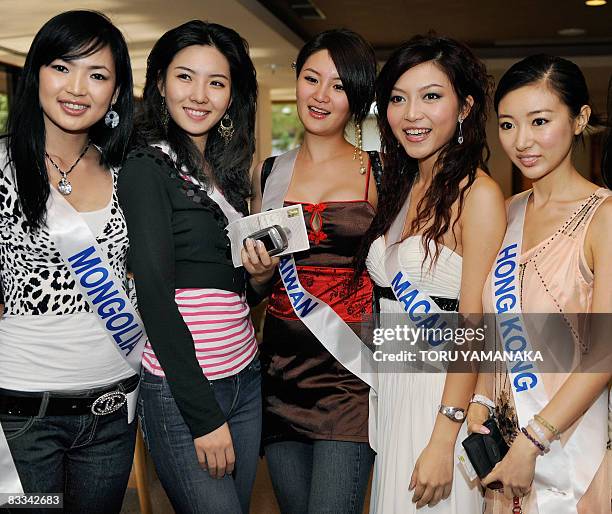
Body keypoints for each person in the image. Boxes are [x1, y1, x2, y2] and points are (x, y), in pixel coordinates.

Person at [354, 35, 506, 513]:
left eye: (431, 96)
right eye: (398, 98)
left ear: (464, 107)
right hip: (396, 388)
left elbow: (474, 323)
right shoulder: (404, 184)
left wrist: (444, 437)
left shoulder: (477, 194)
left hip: (440, 396)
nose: (411, 113)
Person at [117, 20, 262, 514]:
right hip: (186, 392)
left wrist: (258, 275)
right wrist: (202, 416)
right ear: (159, 82)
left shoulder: (225, 173)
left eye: (216, 82)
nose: (200, 95)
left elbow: (230, 286)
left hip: (245, 374)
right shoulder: (145, 166)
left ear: (231, 94)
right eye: (185, 77)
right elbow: (155, 297)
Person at [0, 10, 136, 514]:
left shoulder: (130, 175)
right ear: (35, 72)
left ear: (116, 94)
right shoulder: (3, 169)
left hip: (114, 412)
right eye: (62, 67)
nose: (77, 87)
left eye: (97, 75)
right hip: (21, 417)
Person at [467, 54, 611, 514]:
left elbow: (604, 352)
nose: (522, 141)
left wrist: (534, 441)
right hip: (510, 454)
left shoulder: (603, 217)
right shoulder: (505, 211)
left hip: (574, 457)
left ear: (580, 118)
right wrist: (481, 400)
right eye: (508, 125)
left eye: (540, 121)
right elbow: (494, 326)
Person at [244, 29, 379, 514]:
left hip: (349, 376)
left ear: (357, 97)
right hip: (282, 372)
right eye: (311, 79)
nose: (320, 96)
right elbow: (259, 284)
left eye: (338, 86)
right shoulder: (268, 172)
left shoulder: (381, 171)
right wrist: (258, 274)